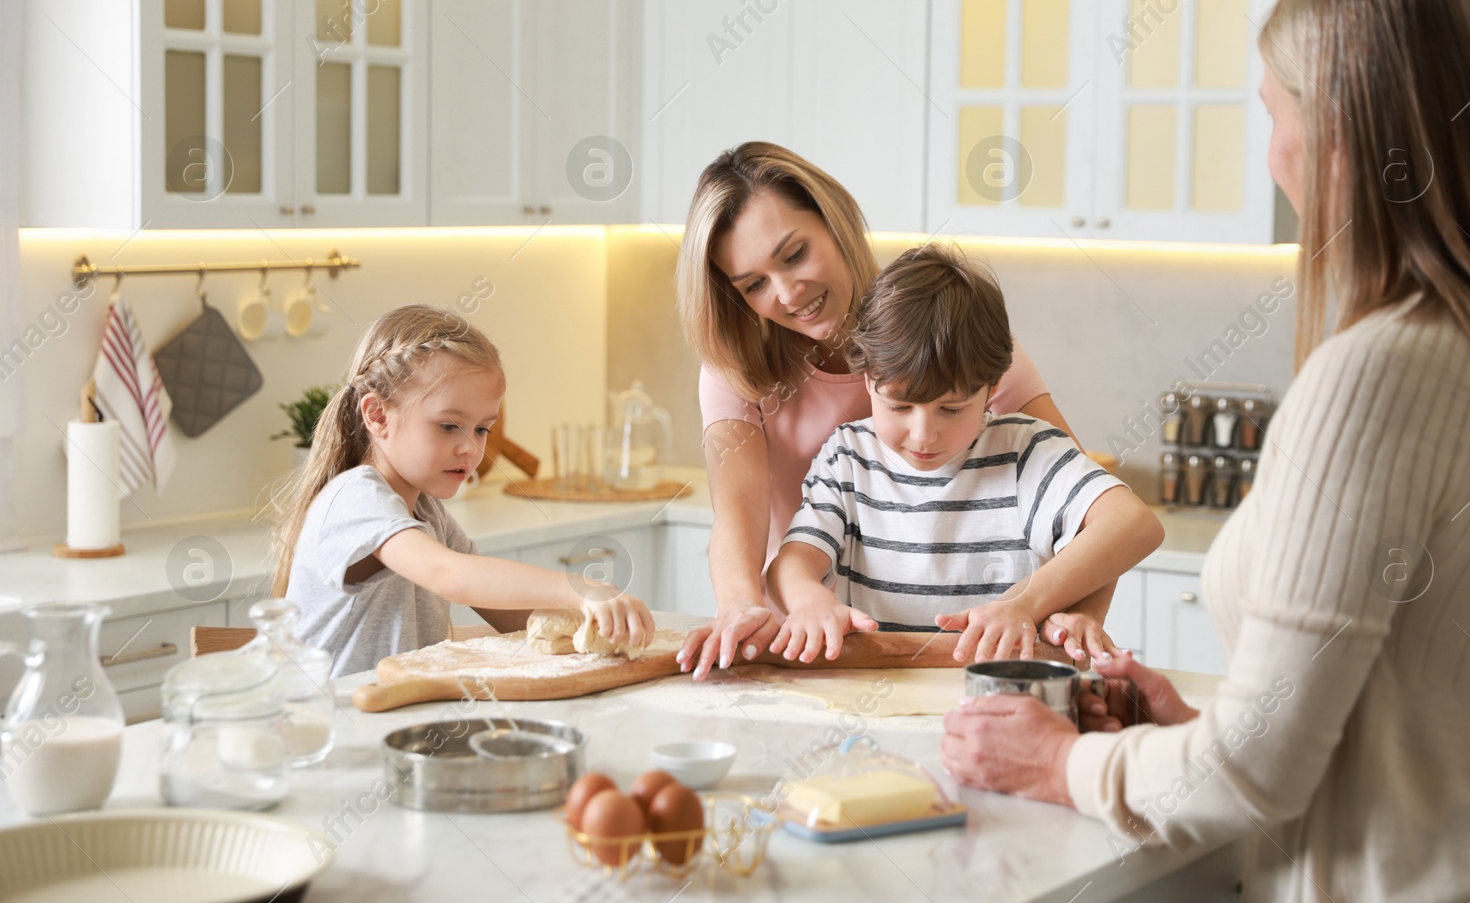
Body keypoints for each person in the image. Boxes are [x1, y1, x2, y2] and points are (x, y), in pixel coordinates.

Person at [940, 0, 1470, 900]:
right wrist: (1179, 737)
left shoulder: (1382, 374)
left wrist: (1058, 763)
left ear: (1338, 131)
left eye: (1273, 111)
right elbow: (1449, 703)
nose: (1272, 152)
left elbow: (1257, 765)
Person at [675, 143, 1119, 679]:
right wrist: (740, 607)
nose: (789, 293)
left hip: (975, 653)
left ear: (834, 222)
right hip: (810, 639)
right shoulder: (735, 367)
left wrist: (1076, 617)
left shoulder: (947, 339)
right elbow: (738, 511)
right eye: (754, 285)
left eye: (794, 255)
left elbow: (1089, 515)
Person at [766, 244, 1164, 664]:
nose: (923, 435)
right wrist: (809, 599)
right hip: (877, 692)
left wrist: (1024, 604)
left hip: (1000, 699)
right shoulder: (848, 457)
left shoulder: (1025, 451)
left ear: (991, 389)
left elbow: (1134, 525)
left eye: (951, 409)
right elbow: (792, 563)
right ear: (867, 381)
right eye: (899, 406)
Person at [270, 305, 654, 676]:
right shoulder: (355, 498)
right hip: (332, 729)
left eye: (482, 429)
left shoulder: (427, 511)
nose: (471, 448)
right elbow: (448, 575)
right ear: (377, 415)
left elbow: (506, 614)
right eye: (449, 426)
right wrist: (579, 589)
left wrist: (591, 621)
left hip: (397, 721)